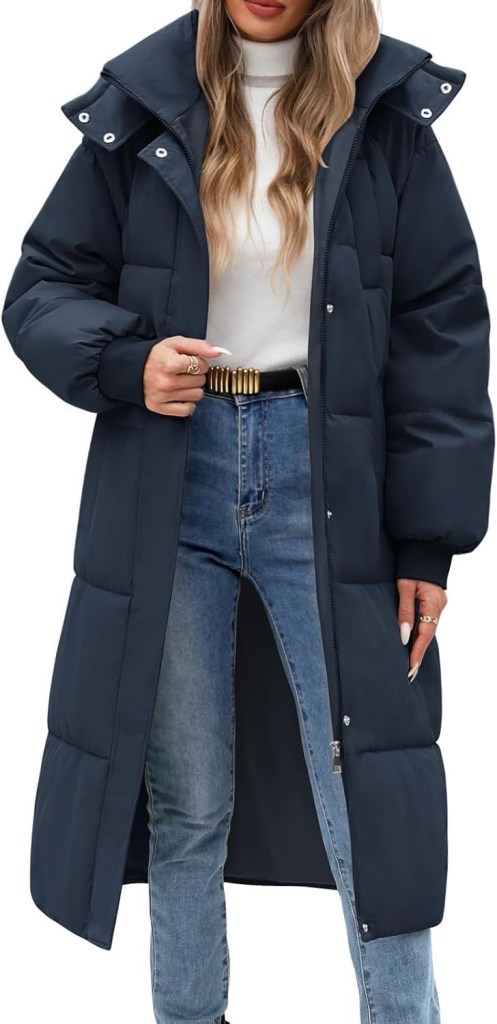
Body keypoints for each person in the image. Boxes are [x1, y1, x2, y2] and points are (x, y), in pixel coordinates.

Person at [2, 1, 494, 1022]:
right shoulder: (143, 106)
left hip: (331, 478)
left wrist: (426, 544)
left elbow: (441, 337)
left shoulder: (385, 118)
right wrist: (129, 363)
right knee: (186, 802)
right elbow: (41, 287)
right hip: (169, 477)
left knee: (370, 800)